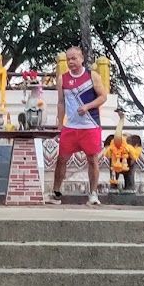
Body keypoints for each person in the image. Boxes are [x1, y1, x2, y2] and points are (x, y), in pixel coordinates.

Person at [48, 46, 108, 206]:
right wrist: (60, 123)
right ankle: (56, 193)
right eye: (68, 59)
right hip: (71, 126)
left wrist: (88, 106)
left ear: (81, 58)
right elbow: (61, 103)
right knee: (61, 159)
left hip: (90, 125)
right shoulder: (63, 79)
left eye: (74, 58)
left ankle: (93, 194)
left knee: (92, 159)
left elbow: (103, 97)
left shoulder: (92, 76)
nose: (71, 62)